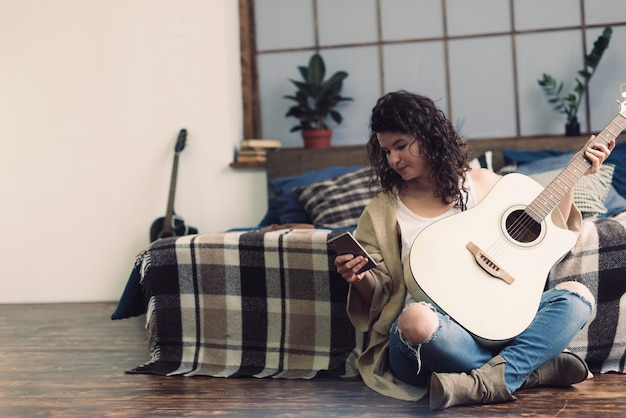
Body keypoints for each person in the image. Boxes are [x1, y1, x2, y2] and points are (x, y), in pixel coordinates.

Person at [334, 91, 614, 410]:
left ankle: (487, 382)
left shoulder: (480, 183)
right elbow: (379, 298)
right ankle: (529, 369)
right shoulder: (383, 211)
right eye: (386, 151)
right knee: (415, 321)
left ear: (428, 137)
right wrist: (357, 278)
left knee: (576, 298)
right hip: (433, 335)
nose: (393, 159)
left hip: (501, 323)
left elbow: (546, 227)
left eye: (401, 146)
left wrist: (574, 174)